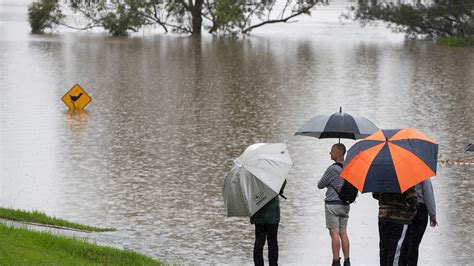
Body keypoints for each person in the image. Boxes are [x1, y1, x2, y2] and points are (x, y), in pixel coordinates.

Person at [318, 143, 351, 266]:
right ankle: (347, 260)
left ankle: (336, 260)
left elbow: (320, 184)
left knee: (334, 233)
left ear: (338, 153)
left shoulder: (332, 169)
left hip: (332, 204)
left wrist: (330, 183)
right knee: (343, 232)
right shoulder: (349, 167)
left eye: (332, 151)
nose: (330, 153)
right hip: (345, 205)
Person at [373, 187, 418, 266]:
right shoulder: (405, 179)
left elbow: (375, 194)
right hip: (400, 218)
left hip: (383, 216)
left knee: (384, 249)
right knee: (396, 250)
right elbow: (413, 201)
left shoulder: (381, 177)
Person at [399, 179, 438, 265]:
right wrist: (432, 215)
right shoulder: (422, 174)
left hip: (407, 209)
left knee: (405, 242)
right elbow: (428, 194)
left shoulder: (402, 173)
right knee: (414, 244)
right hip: (421, 210)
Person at [251, 180, 286, 266]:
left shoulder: (252, 174)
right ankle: (273, 264)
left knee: (259, 241)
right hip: (272, 213)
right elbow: (282, 184)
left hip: (257, 210)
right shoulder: (274, 170)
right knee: (272, 241)